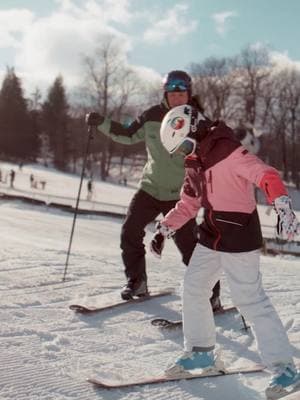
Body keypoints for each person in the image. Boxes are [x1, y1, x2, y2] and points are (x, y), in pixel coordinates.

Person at [150, 104, 300, 399]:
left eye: (184, 145)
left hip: (239, 233)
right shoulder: (194, 162)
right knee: (193, 288)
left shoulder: (228, 151)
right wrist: (165, 228)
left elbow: (266, 175)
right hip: (211, 233)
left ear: (194, 129)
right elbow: (189, 204)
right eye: (179, 149)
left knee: (250, 300)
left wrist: (283, 207)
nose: (183, 152)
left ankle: (286, 370)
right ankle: (201, 353)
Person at [85, 70, 221, 307]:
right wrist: (102, 123)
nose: (177, 98)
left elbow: (217, 151)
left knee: (189, 247)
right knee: (130, 231)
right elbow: (127, 134)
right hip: (150, 188)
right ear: (165, 94)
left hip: (181, 197)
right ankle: (137, 282)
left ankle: (211, 294)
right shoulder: (151, 116)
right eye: (172, 93)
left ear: (189, 95)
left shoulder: (199, 121)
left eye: (182, 94)